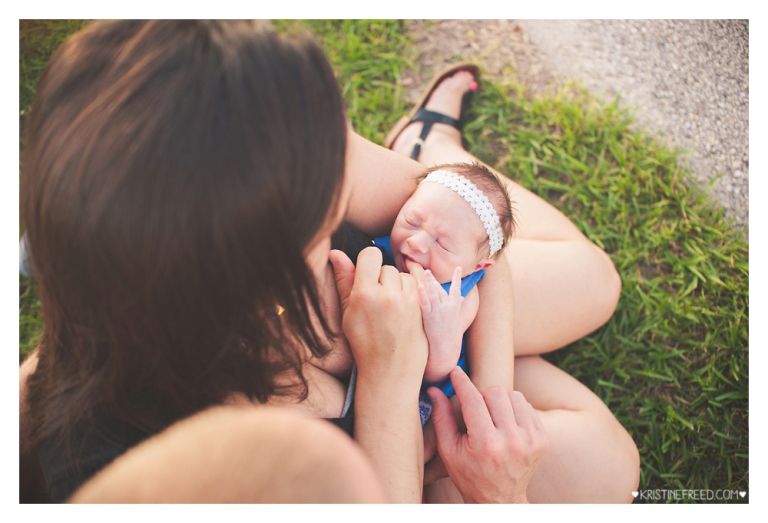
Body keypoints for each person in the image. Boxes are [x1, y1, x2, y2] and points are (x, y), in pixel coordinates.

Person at [19, 20, 638, 503]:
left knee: (594, 282)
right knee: (606, 470)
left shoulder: (262, 133)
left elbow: (465, 220)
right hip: (395, 409)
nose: (343, 177)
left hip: (429, 350)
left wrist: (490, 401)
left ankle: (427, 142)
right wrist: (397, 389)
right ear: (249, 298)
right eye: (327, 219)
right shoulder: (177, 465)